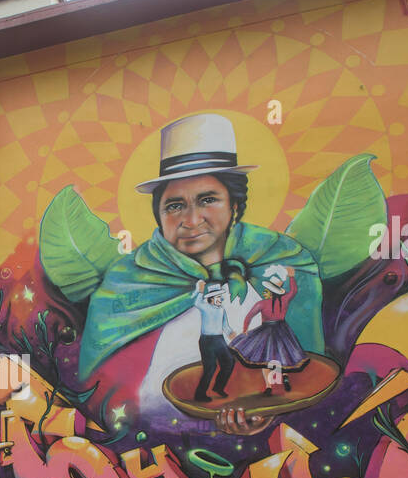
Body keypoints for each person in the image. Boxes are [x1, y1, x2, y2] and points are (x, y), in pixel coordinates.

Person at [39, 112, 323, 423]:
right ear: (158, 215)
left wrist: (262, 419)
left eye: (207, 200)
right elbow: (101, 391)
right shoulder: (125, 284)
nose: (190, 220)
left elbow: (303, 379)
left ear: (235, 207)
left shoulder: (272, 262)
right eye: (175, 205)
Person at [231, 264, 308, 394]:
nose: (264, 291)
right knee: (282, 354)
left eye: (267, 290)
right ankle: (284, 377)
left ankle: (269, 386)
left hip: (267, 330)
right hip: (282, 329)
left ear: (270, 292)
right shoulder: (284, 300)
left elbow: (249, 316)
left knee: (265, 359)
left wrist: (245, 329)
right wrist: (291, 277)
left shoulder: (261, 303)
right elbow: (294, 291)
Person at [191, 280, 239, 402]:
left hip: (219, 339)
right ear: (211, 298)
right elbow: (196, 302)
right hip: (207, 341)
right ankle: (199, 394)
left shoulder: (221, 309)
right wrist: (200, 290)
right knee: (210, 367)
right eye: (218, 297)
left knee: (229, 361)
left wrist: (230, 333)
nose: (220, 299)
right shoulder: (205, 306)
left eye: (221, 297)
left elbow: (225, 325)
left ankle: (218, 387)